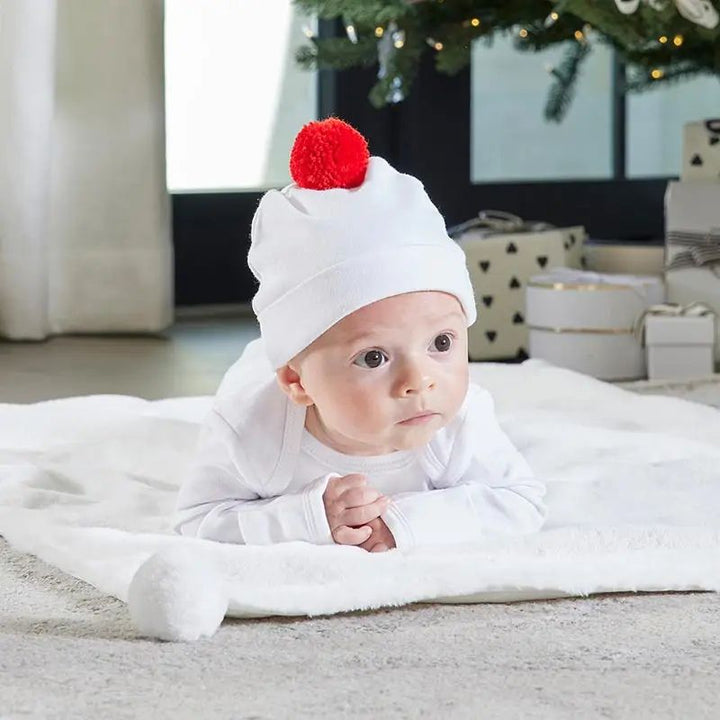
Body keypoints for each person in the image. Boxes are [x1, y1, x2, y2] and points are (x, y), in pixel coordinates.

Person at [174, 118, 547, 553]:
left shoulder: (459, 422)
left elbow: (522, 503)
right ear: (297, 382)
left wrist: (406, 522)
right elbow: (196, 523)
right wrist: (309, 518)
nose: (419, 380)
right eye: (373, 358)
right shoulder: (252, 432)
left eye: (441, 343)